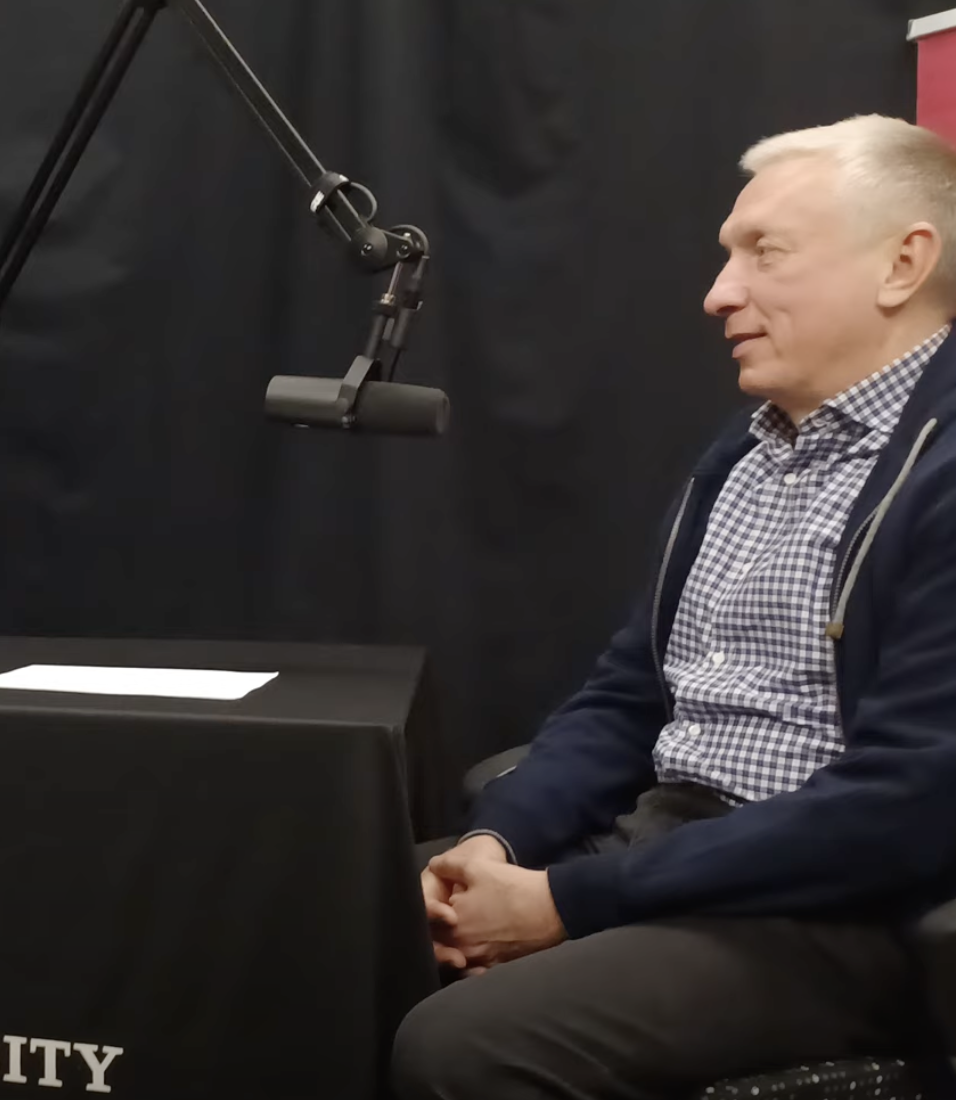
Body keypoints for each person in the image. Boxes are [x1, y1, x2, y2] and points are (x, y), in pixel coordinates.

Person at [395, 114, 956, 1099]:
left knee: (464, 1046)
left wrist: (563, 901)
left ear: (902, 264)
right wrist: (501, 843)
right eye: (723, 256)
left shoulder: (940, 477)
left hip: (837, 907)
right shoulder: (740, 457)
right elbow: (626, 699)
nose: (717, 292)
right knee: (307, 918)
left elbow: (905, 807)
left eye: (762, 253)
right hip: (662, 840)